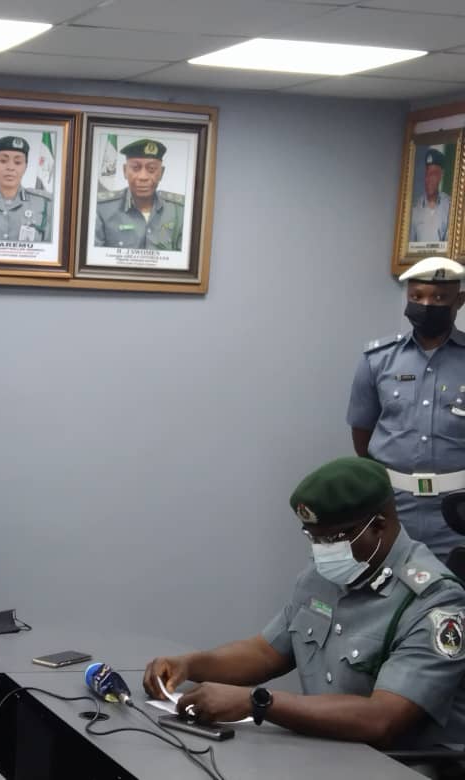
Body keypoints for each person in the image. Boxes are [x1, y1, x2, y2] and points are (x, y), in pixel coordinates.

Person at [143, 456, 465, 754]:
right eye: (313, 538)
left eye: (332, 539)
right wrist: (191, 665)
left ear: (378, 525)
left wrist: (258, 702)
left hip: (402, 765)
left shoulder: (435, 602)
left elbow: (383, 719)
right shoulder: (325, 575)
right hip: (324, 751)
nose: (322, 551)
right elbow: (265, 653)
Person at [347, 256, 465, 561]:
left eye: (439, 298)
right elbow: (362, 435)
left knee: (454, 587)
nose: (426, 305)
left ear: (459, 301)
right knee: (388, 583)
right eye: (417, 296)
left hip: (457, 511)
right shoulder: (378, 359)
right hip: (393, 507)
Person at [94, 138, 183, 251]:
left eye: (151, 169)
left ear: (161, 173)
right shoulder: (102, 209)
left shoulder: (179, 211)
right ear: (125, 171)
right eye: (135, 168)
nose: (143, 177)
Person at [410, 148, 451, 244]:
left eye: (433, 174)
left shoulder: (450, 207)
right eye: (427, 173)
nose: (429, 179)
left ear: (441, 175)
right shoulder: (415, 209)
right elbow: (409, 246)